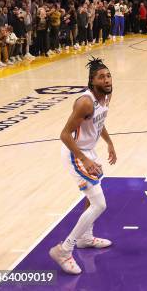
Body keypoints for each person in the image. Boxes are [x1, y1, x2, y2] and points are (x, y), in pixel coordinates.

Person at [49, 57, 117, 274]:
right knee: (99, 203)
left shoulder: (106, 97)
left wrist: (109, 142)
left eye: (108, 75)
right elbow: (64, 134)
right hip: (74, 152)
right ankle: (64, 249)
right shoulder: (85, 102)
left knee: (92, 198)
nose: (106, 80)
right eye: (101, 77)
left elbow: (99, 121)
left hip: (88, 151)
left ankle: (85, 238)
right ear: (92, 81)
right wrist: (84, 159)